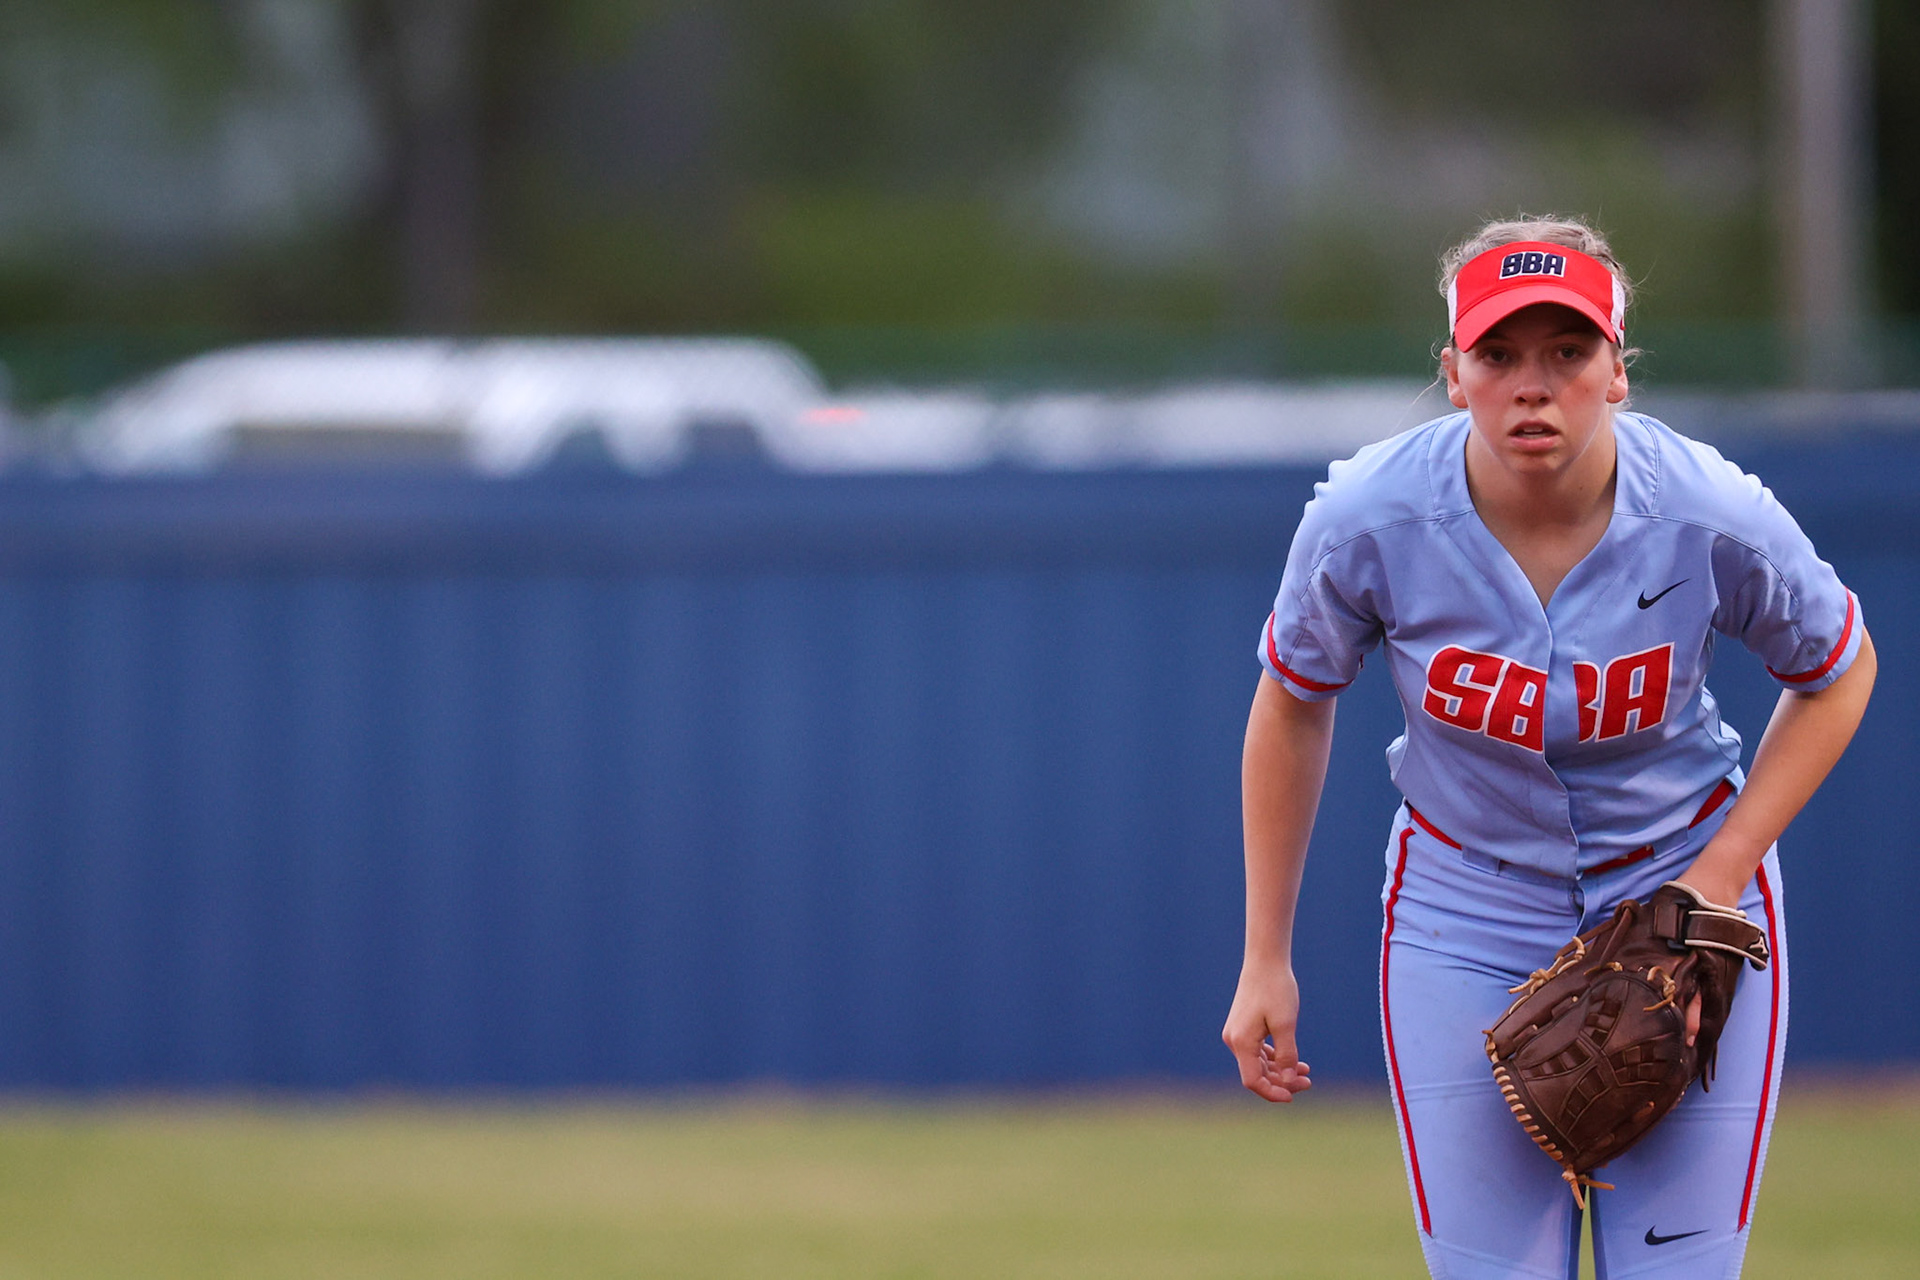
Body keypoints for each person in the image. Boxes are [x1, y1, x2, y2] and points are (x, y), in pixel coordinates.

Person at [1220, 216, 1877, 1279]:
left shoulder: (1707, 509)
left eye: (1568, 352)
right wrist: (1264, 955)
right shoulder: (1369, 517)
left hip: (1685, 894)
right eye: (1500, 354)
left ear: (1619, 371)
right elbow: (1292, 701)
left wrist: (1714, 883)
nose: (1535, 385)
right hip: (1461, 906)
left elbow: (1841, 668)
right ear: (1452, 373)